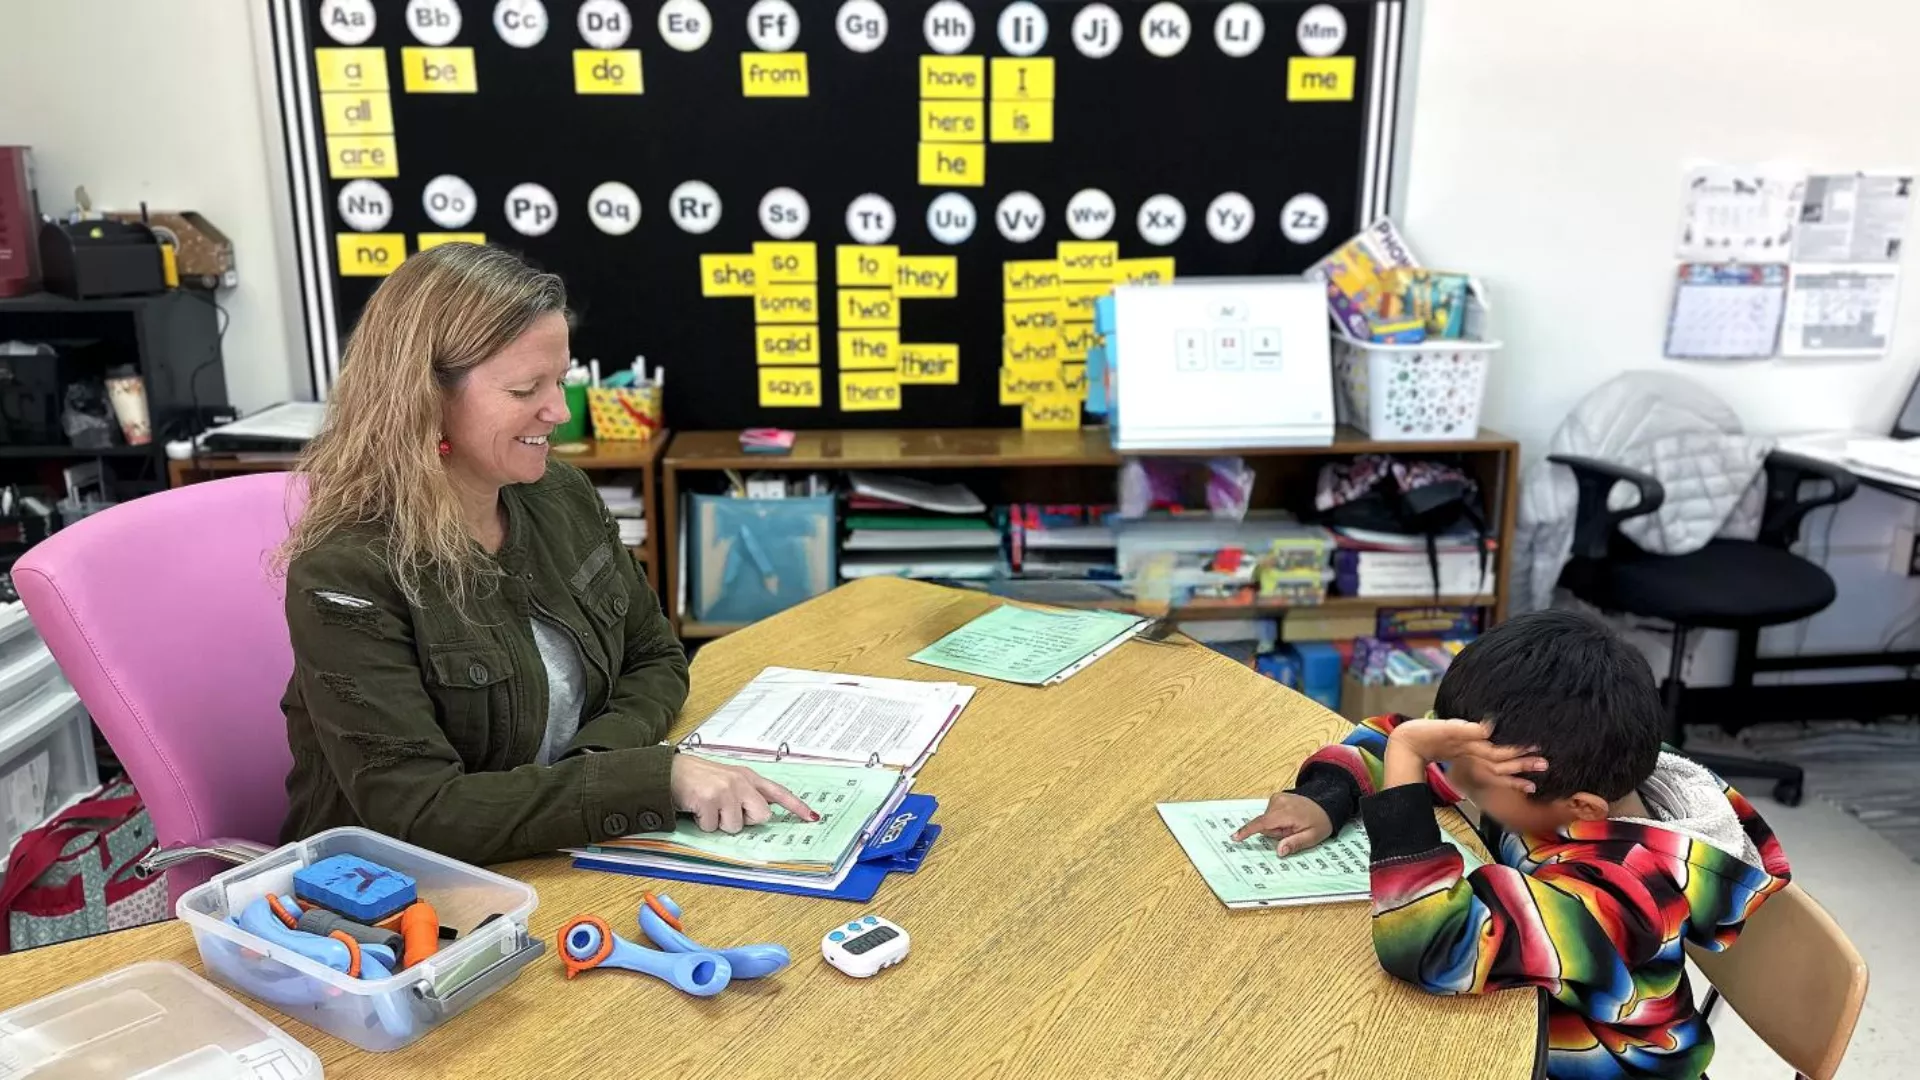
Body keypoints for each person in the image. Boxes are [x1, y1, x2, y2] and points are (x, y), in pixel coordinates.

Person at [277, 243, 814, 865]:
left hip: (559, 845)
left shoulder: (558, 492)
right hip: (393, 894)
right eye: (525, 388)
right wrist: (650, 779)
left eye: (561, 379)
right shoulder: (347, 572)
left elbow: (656, 656)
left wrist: (597, 766)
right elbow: (420, 813)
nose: (558, 411)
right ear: (423, 399)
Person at [1235, 610, 1791, 1080]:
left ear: (1581, 811)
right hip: (1526, 1022)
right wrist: (1329, 795)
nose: (1455, 778)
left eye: (1477, 781)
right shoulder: (1568, 765)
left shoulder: (1623, 893)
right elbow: (1420, 737)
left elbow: (1433, 944)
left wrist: (1406, 761)